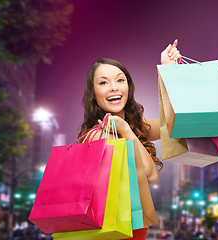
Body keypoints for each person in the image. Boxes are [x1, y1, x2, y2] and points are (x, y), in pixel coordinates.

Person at [78, 40, 181, 239]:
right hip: (112, 230)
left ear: (129, 87)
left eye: (120, 80)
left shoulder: (133, 125)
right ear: (93, 94)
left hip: (132, 226)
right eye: (103, 82)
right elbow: (151, 175)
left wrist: (167, 74)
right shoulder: (98, 135)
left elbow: (172, 124)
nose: (113, 88)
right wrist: (126, 131)